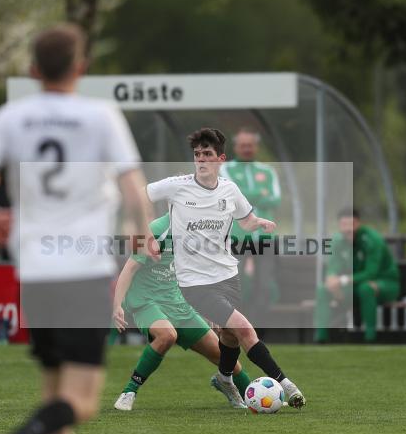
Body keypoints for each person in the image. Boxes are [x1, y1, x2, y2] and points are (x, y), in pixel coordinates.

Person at [0, 23, 155, 434]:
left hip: (36, 273)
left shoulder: (12, 115)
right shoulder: (100, 116)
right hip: (84, 268)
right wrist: (138, 234)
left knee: (54, 396)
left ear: (33, 70)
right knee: (82, 401)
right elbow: (135, 191)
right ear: (81, 68)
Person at [146, 127, 306, 409]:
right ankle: (286, 384)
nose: (201, 160)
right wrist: (144, 232)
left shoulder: (230, 189)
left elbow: (245, 219)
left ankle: (224, 379)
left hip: (227, 275)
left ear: (220, 159)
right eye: (197, 155)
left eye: (207, 154)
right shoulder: (177, 185)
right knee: (244, 328)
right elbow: (140, 195)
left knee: (229, 335)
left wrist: (259, 223)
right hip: (194, 282)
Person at [112, 213, 252, 411]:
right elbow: (130, 268)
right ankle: (129, 391)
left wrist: (211, 310)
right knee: (167, 335)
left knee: (225, 358)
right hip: (146, 300)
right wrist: (117, 305)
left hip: (178, 303)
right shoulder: (157, 231)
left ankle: (252, 395)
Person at [220, 128, 282, 325]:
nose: (247, 149)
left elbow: (275, 200)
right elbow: (231, 195)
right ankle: (236, 328)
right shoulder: (226, 169)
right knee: (237, 284)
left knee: (264, 286)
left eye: (250, 145)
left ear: (256, 147)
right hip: (237, 236)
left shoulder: (267, 171)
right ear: (236, 147)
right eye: (243, 145)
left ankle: (256, 330)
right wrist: (259, 193)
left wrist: (245, 193)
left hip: (264, 238)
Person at [314, 208, 400, 343]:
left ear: (358, 223)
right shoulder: (337, 241)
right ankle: (320, 338)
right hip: (354, 285)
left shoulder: (373, 240)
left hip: (384, 283)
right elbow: (333, 267)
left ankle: (370, 337)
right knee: (322, 289)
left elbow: (371, 273)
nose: (348, 229)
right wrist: (331, 280)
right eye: (344, 225)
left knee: (366, 288)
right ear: (339, 225)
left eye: (351, 224)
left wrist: (342, 281)